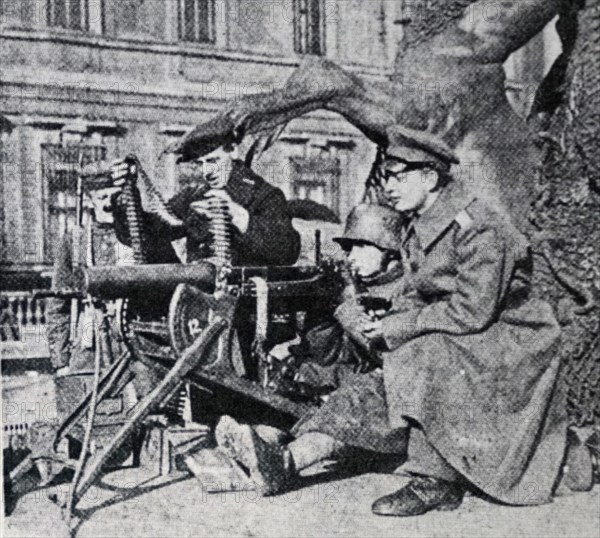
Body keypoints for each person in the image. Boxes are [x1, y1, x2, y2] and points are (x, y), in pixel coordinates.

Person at [213, 125, 569, 517]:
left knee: (421, 352)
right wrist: (383, 322)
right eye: (386, 176)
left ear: (430, 178)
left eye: (399, 176)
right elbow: (417, 292)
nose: (388, 187)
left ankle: (435, 480)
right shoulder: (424, 223)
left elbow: (473, 310)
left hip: (510, 341)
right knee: (388, 372)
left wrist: (396, 327)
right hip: (469, 336)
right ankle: (282, 460)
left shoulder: (477, 226)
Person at [214, 203, 412, 494]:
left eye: (361, 246)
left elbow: (387, 353)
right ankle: (259, 444)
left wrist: (347, 305)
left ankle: (284, 464)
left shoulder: (408, 291)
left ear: (390, 250)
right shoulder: (362, 285)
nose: (351, 256)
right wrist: (319, 309)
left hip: (395, 396)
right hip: (365, 386)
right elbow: (332, 355)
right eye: (349, 248)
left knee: (357, 398)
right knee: (302, 372)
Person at [109, 142, 301, 266]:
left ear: (233, 150)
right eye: (201, 164)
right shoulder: (194, 196)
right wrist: (127, 199)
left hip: (246, 311)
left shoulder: (265, 196)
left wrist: (241, 217)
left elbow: (286, 252)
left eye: (213, 160)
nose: (207, 172)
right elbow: (150, 234)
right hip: (198, 304)